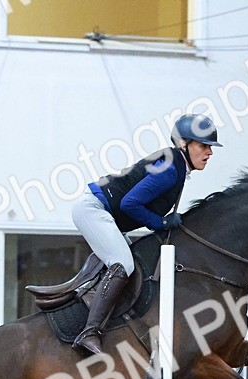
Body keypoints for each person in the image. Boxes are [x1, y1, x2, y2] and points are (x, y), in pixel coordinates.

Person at [70, 113, 221, 356]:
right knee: (123, 264)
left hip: (103, 213)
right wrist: (160, 223)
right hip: (94, 210)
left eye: (210, 147)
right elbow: (130, 203)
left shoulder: (175, 164)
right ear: (184, 144)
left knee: (134, 264)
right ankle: (89, 330)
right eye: (204, 146)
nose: (209, 153)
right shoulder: (171, 168)